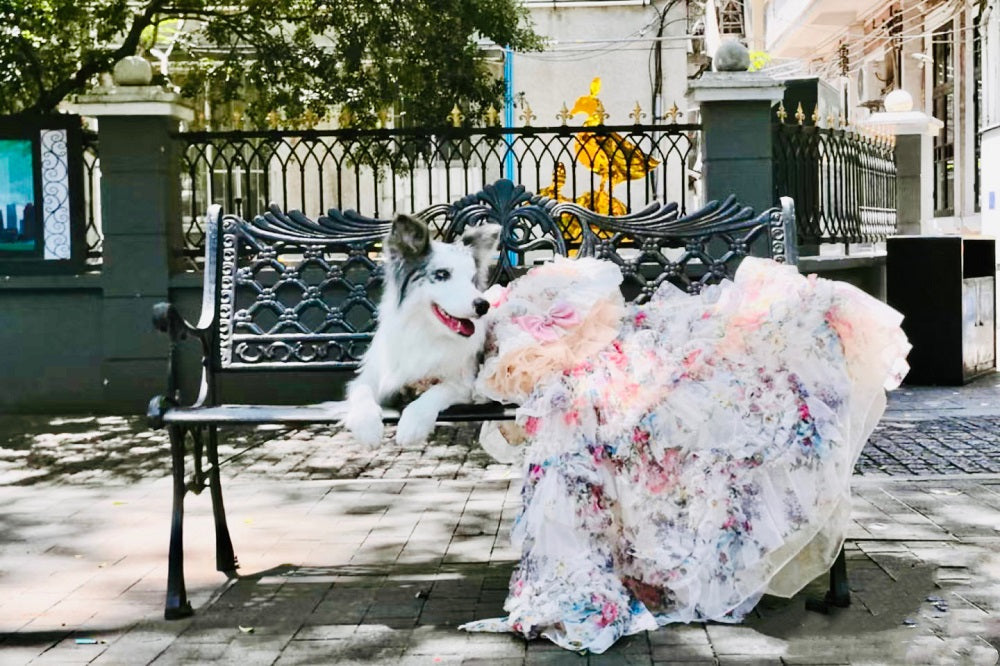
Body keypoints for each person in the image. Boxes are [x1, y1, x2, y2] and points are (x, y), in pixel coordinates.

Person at [461, 256, 910, 654]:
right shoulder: (506, 328)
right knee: (612, 400)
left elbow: (589, 302)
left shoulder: (532, 307)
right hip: (604, 339)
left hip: (639, 332)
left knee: (739, 366)